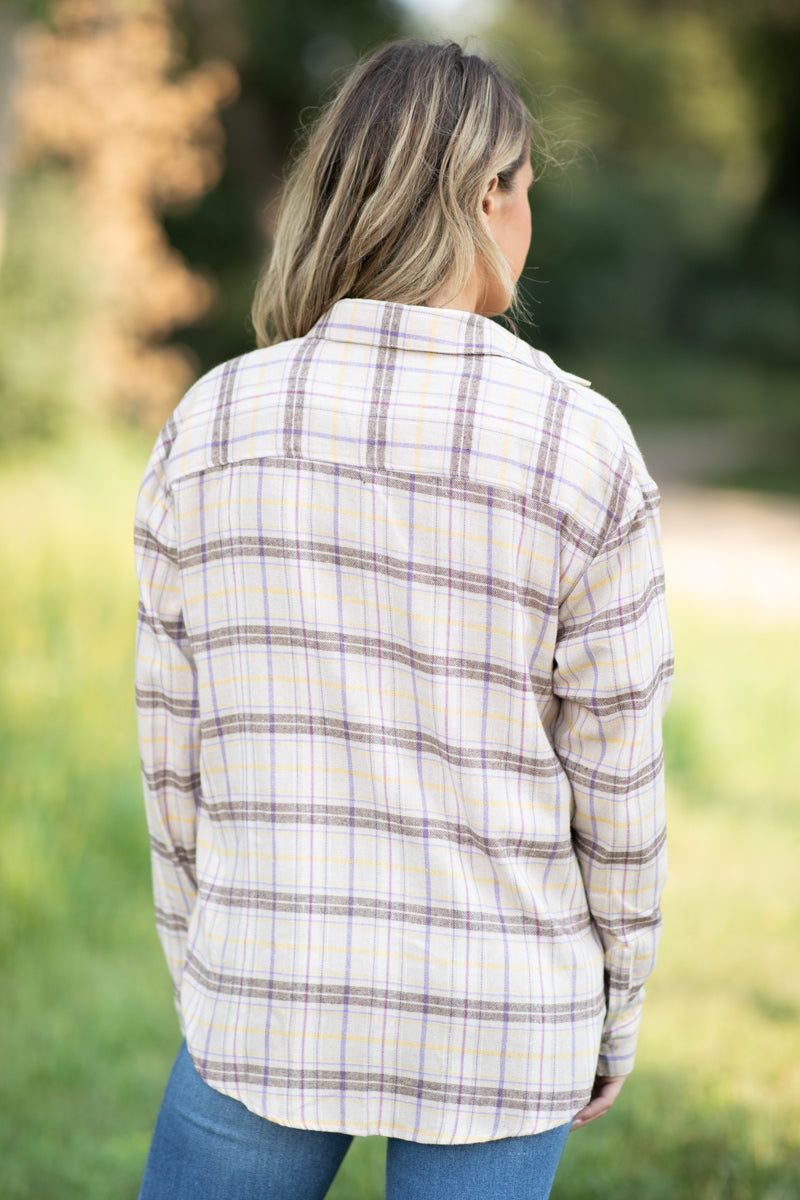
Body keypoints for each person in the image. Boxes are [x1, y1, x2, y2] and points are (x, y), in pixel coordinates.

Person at [134, 38, 673, 1200]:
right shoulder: (582, 446)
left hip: (266, 993)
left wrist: (206, 968)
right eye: (524, 188)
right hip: (500, 1012)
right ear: (488, 193)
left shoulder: (211, 423)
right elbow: (616, 786)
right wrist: (612, 1010)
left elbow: (169, 760)